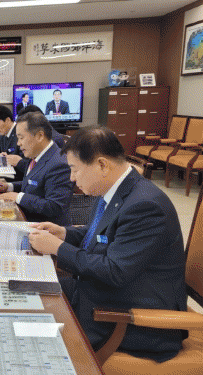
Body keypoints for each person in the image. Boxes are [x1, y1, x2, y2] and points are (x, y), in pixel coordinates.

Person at [28, 126, 187, 362]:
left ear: (102, 165)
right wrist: (64, 234)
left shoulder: (145, 206)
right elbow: (100, 236)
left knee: (35, 334)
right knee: (29, 290)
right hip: (104, 292)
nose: (72, 178)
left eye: (74, 169)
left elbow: (115, 270)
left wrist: (58, 248)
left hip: (130, 317)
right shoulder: (115, 189)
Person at [0, 112, 73, 225]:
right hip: (27, 220)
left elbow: (54, 207)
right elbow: (34, 184)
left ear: (39, 136)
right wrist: (9, 186)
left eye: (21, 138)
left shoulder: (59, 164)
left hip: (45, 229)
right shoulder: (36, 154)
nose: (18, 143)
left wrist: (18, 197)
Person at [0, 105, 26, 180]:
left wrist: (16, 161)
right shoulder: (4, 134)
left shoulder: (20, 133)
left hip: (18, 179)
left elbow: (27, 164)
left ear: (7, 120)